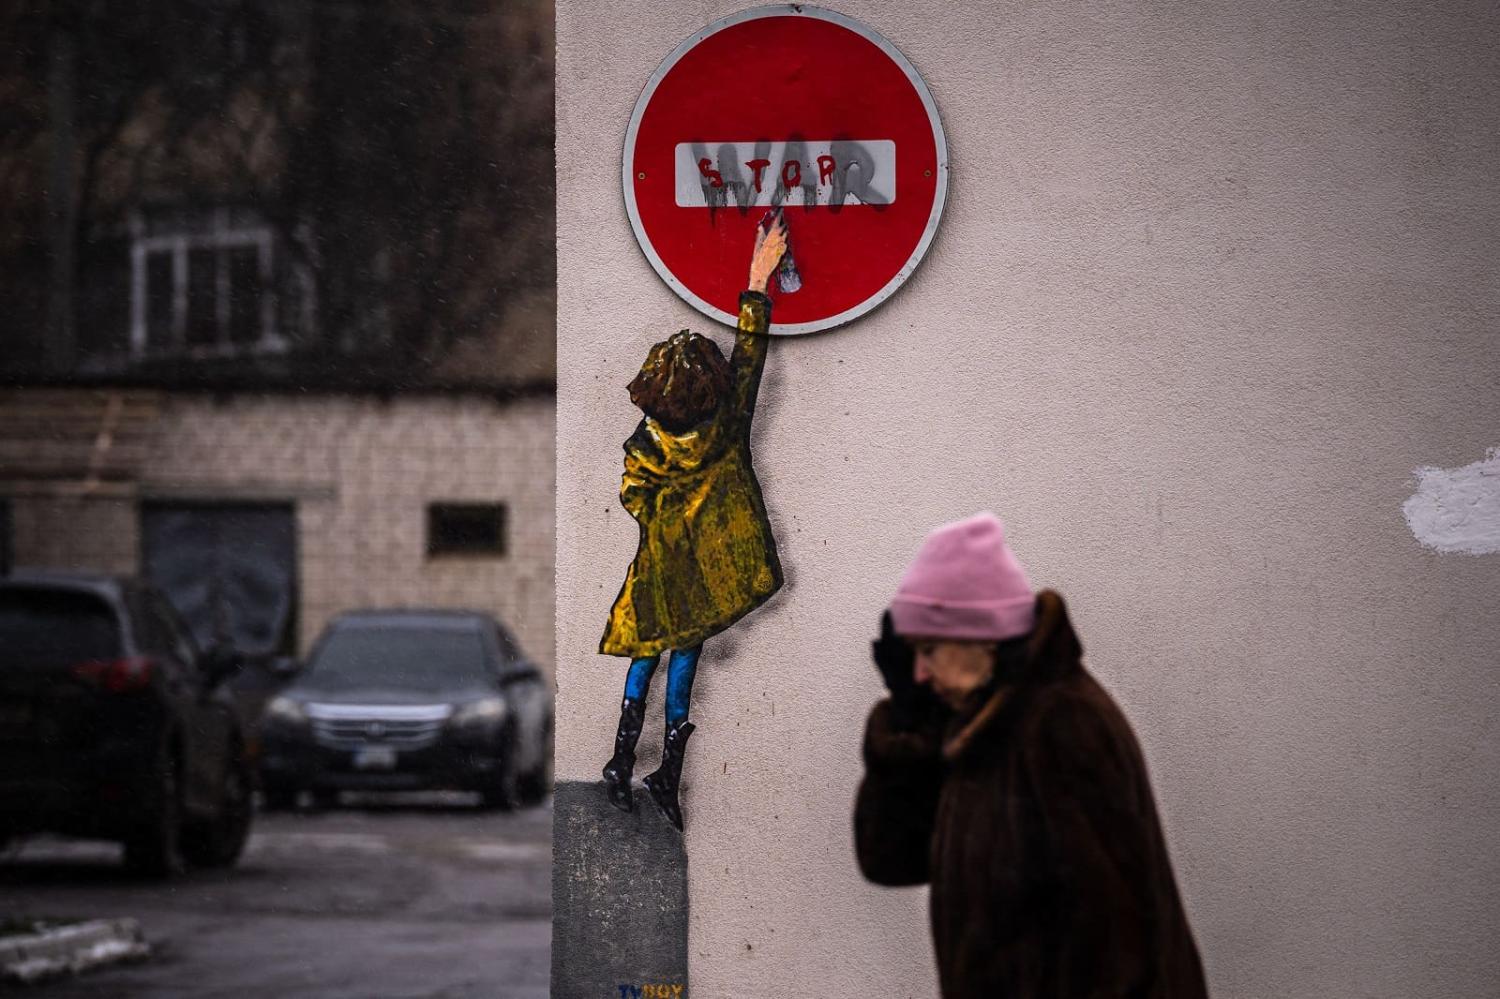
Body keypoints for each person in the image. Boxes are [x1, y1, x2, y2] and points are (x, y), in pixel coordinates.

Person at [855, 512, 1209, 998]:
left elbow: (1115, 951)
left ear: (982, 635)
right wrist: (907, 722)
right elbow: (892, 860)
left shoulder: (1062, 725)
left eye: (929, 649)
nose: (918, 671)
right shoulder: (985, 726)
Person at [598, 212, 791, 831]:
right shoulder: (729, 425)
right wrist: (757, 277)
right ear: (712, 388)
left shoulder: (647, 443)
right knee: (683, 660)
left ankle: (622, 761)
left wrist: (662, 521)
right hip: (703, 577)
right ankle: (666, 776)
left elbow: (633, 492)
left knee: (646, 658)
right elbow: (751, 352)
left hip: (660, 572)